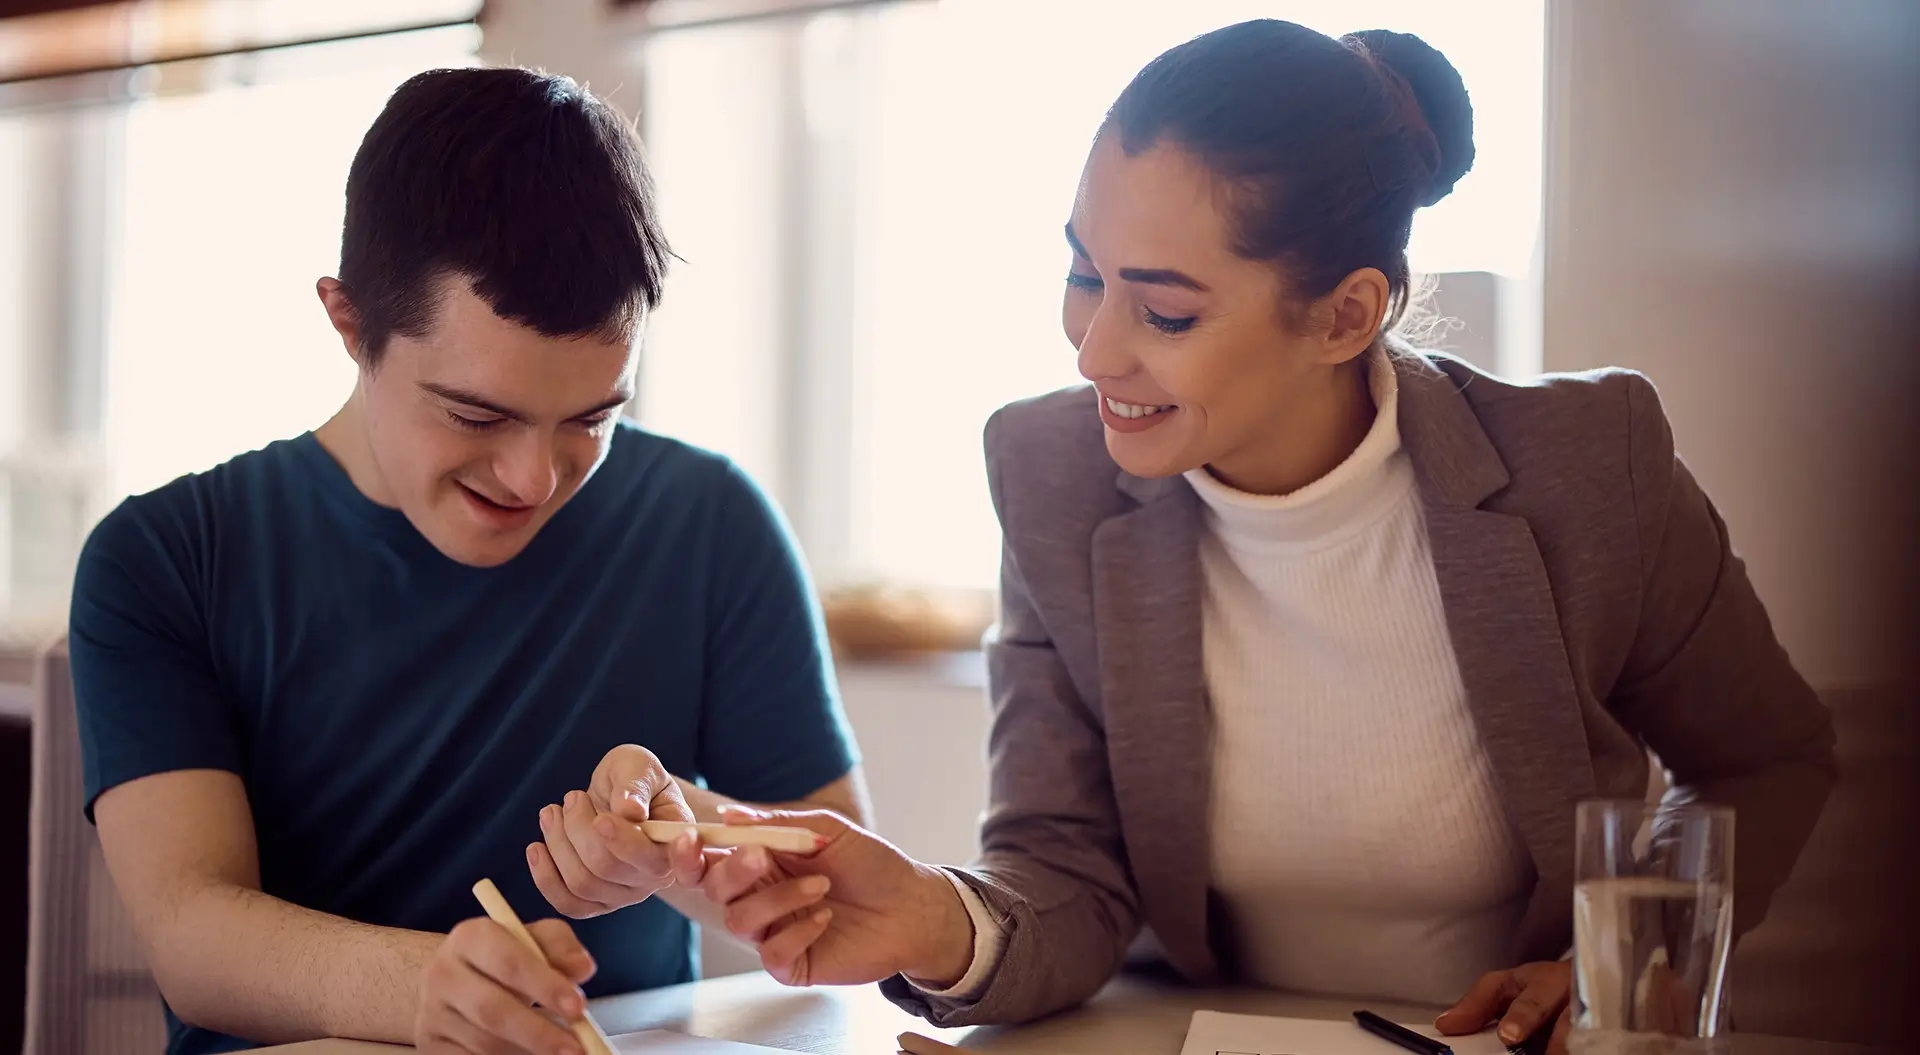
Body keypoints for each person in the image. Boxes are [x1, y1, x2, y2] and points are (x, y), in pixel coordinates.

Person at [678, 20, 1837, 1054]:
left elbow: (1763, 753)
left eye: (1166, 310)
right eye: (1085, 271)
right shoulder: (1049, 475)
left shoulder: (1587, 464)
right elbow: (1064, 865)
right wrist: (941, 916)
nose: (1093, 349)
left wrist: (1620, 966)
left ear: (1346, 314)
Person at [69, 68, 865, 1055]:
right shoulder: (167, 558)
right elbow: (191, 933)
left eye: (591, 418)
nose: (534, 477)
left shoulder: (709, 521)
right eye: (477, 414)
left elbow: (832, 881)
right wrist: (423, 987)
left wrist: (679, 838)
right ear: (350, 324)